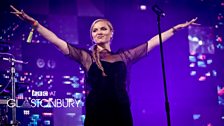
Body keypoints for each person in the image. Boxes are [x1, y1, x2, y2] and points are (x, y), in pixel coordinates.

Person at [10, 5, 197, 126]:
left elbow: (152, 42)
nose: (99, 32)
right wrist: (34, 23)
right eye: (95, 30)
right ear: (92, 36)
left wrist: (174, 30)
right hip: (96, 115)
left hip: (121, 113)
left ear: (111, 33)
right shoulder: (86, 57)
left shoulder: (124, 56)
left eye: (103, 28)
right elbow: (57, 41)